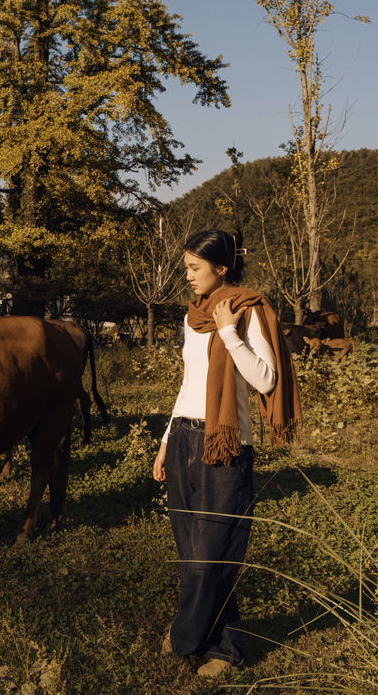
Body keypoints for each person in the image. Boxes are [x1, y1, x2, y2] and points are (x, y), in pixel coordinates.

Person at [152, 229, 301, 679]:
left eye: (195, 269)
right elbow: (188, 384)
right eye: (186, 269)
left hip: (226, 444)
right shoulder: (190, 317)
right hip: (183, 438)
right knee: (191, 552)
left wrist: (229, 334)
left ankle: (185, 636)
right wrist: (164, 441)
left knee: (213, 555)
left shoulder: (246, 310)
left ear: (221, 268)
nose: (189, 278)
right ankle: (226, 647)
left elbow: (267, 381)